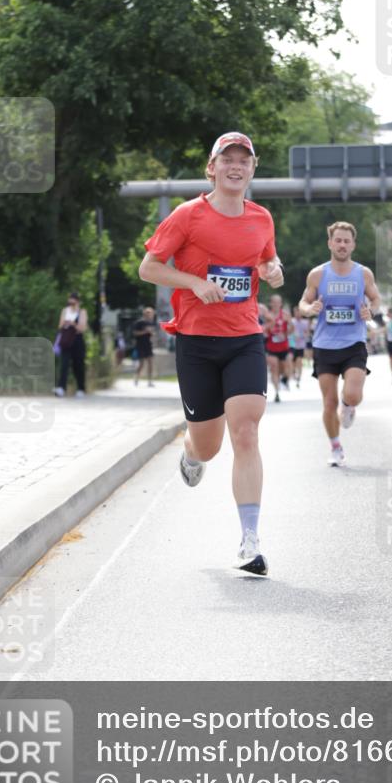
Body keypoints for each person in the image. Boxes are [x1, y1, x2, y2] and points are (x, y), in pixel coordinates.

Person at [139, 132, 284, 575]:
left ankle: (250, 540)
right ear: (212, 168)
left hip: (244, 338)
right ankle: (191, 453)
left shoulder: (262, 218)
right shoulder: (188, 215)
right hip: (197, 341)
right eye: (228, 159)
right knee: (209, 445)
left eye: (244, 160)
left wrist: (274, 271)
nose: (236, 166)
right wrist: (194, 283)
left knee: (247, 432)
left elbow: (267, 262)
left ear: (252, 169)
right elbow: (148, 268)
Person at [299, 221, 381, 467]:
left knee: (353, 395)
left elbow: (376, 299)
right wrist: (310, 309)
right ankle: (336, 448)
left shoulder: (363, 274)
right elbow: (303, 303)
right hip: (324, 345)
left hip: (353, 342)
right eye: (338, 240)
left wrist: (371, 311)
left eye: (347, 241)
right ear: (330, 243)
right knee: (329, 402)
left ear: (353, 245)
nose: (342, 245)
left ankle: (349, 405)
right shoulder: (317, 274)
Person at [54, 292, 88, 397]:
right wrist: (65, 323)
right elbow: (60, 326)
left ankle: (81, 388)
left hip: (77, 340)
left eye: (73, 303)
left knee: (78, 365)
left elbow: (82, 328)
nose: (71, 305)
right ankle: (61, 387)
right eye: (70, 302)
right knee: (64, 364)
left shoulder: (82, 312)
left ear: (77, 302)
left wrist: (73, 323)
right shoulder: (65, 311)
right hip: (66, 340)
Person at [263, 295, 292, 402]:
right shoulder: (267, 315)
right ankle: (276, 393)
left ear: (281, 303)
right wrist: (271, 324)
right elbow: (264, 330)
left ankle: (285, 379)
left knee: (287, 367)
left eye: (278, 302)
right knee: (274, 368)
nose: (276, 304)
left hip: (284, 346)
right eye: (274, 302)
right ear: (270, 303)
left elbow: (291, 330)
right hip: (271, 347)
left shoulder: (285, 315)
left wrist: (289, 325)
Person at [132, 306, 156, 386]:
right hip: (140, 345)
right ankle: (136, 377)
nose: (150, 315)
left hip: (148, 345)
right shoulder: (139, 322)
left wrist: (152, 334)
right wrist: (145, 331)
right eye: (148, 313)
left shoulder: (151, 323)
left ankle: (150, 381)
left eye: (151, 313)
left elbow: (152, 334)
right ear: (145, 314)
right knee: (141, 363)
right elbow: (135, 333)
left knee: (150, 363)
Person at [291, 306, 309, 387]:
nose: (298, 314)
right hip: (292, 345)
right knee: (293, 362)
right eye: (296, 312)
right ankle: (294, 373)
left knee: (299, 361)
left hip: (301, 345)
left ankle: (299, 378)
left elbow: (307, 333)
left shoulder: (305, 322)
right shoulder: (291, 321)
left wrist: (302, 336)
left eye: (299, 312)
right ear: (294, 313)